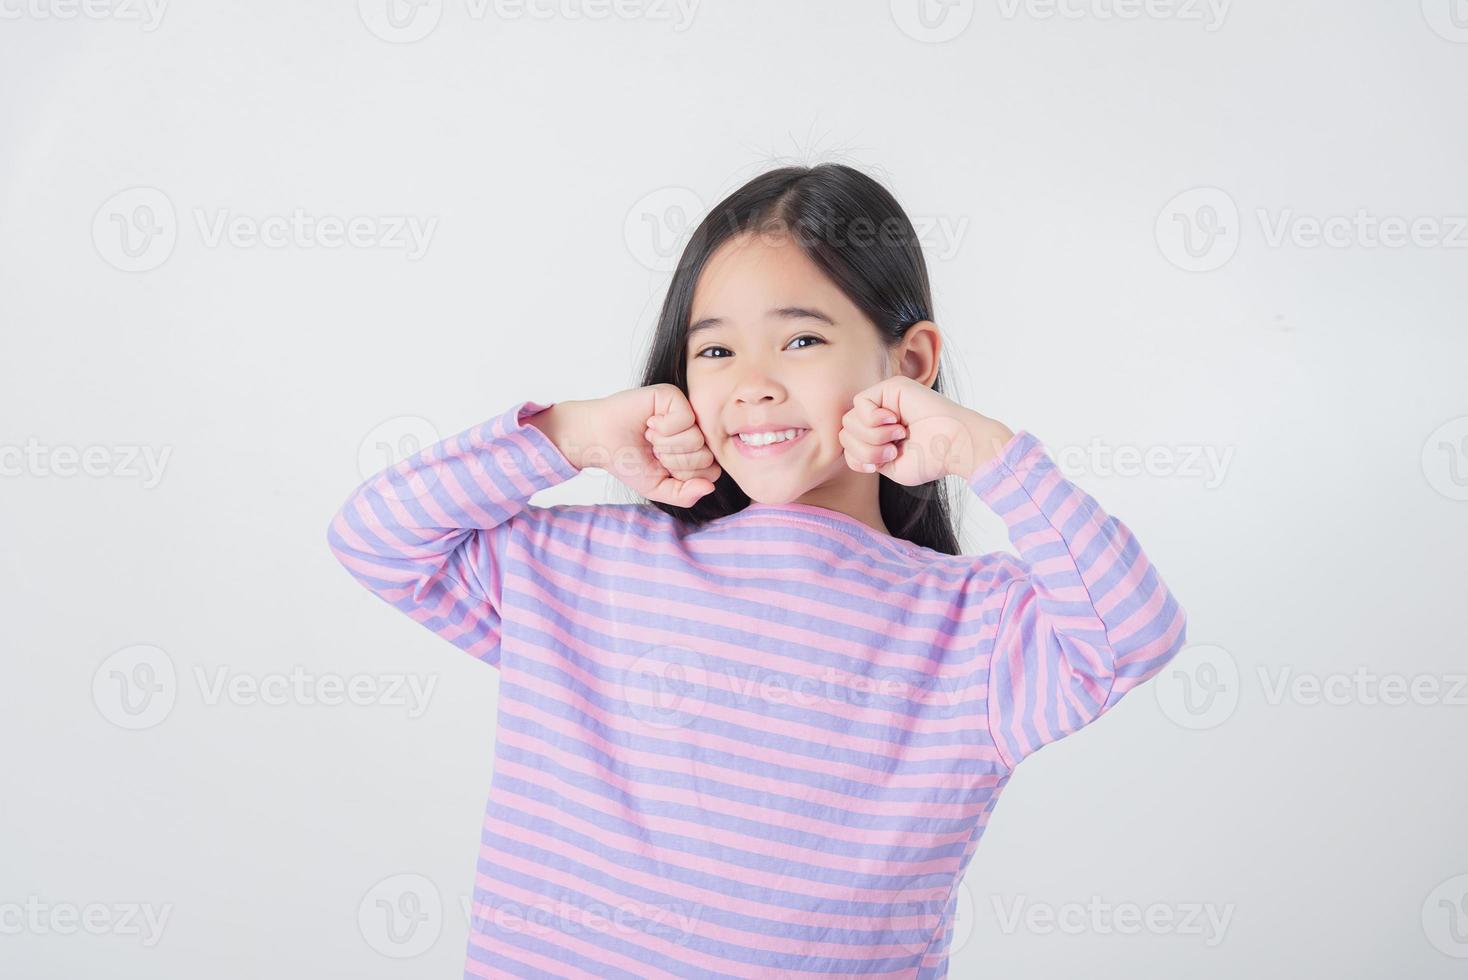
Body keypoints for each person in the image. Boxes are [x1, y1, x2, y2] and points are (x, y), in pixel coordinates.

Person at [326, 163, 1188, 979]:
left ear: (911, 362)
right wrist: (570, 434)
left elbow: (1131, 634)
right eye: (714, 352)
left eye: (801, 339)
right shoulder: (586, 570)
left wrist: (986, 451)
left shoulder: (974, 627)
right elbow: (378, 538)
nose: (752, 385)